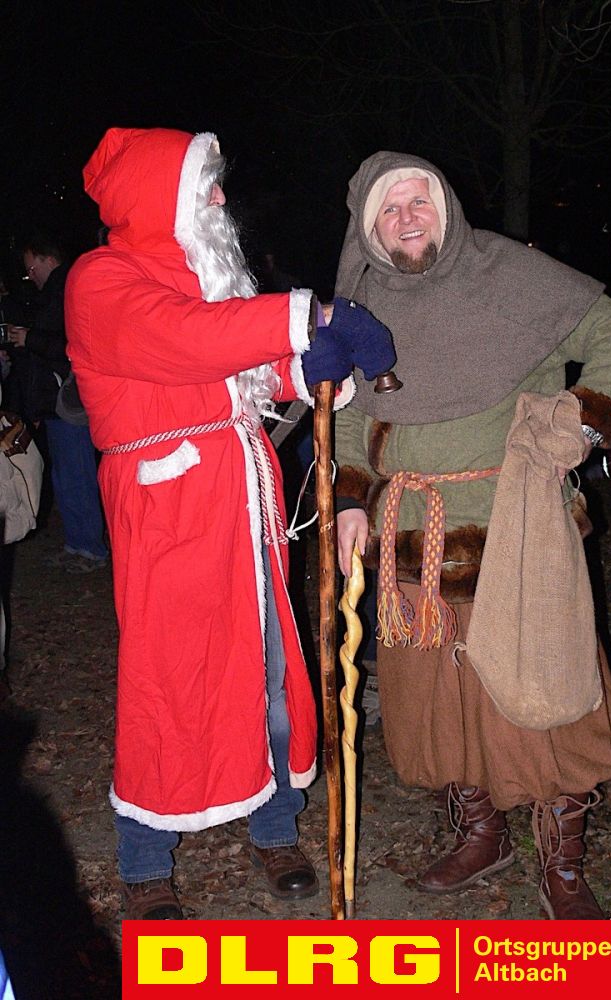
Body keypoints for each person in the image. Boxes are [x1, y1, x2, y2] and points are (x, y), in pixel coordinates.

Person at [64, 127, 394, 919]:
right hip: (168, 505)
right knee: (167, 674)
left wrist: (304, 370)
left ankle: (274, 825)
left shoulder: (204, 274)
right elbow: (184, 342)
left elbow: (239, 368)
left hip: (243, 499)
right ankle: (145, 860)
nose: (219, 198)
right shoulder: (101, 279)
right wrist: (315, 314)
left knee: (269, 660)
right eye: (202, 186)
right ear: (156, 200)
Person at [333, 151, 611, 919]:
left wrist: (581, 422)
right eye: (389, 209)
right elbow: (347, 411)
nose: (407, 218)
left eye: (419, 201)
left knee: (548, 691)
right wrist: (349, 499)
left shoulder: (510, 276)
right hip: (412, 536)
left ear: (445, 205)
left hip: (519, 526)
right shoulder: (363, 302)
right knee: (442, 701)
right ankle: (482, 834)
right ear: (369, 228)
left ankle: (563, 864)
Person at [6, 237, 108, 573]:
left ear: (48, 259)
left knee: (77, 473)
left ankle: (90, 548)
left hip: (69, 401)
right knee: (65, 475)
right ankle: (77, 543)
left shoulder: (69, 289)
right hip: (53, 402)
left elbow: (75, 345)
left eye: (32, 268)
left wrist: (30, 338)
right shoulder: (51, 293)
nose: (30, 275)